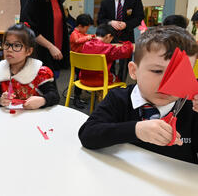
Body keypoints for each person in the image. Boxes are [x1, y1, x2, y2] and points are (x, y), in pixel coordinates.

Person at [78, 26, 198, 164]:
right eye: (157, 71)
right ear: (134, 71)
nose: (167, 83)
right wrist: (136, 130)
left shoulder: (191, 108)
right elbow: (88, 135)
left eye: (179, 74)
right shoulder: (119, 99)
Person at [0, 23, 60, 109]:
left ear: (28, 51)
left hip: (34, 116)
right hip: (7, 116)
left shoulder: (38, 72)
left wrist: (43, 100)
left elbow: (54, 95)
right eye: (7, 44)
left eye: (17, 46)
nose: (9, 50)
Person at [21, 0, 70, 78]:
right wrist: (50, 46)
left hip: (55, 53)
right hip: (42, 55)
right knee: (45, 90)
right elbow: (29, 27)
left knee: (52, 87)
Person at [97, 0, 144, 82]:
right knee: (109, 64)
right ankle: (109, 82)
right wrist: (110, 22)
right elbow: (100, 19)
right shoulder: (105, 2)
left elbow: (139, 17)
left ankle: (121, 84)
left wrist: (126, 24)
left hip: (127, 36)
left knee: (124, 65)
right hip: (109, 38)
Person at [69, 13, 94, 108]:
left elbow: (86, 37)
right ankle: (76, 97)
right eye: (86, 28)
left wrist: (91, 36)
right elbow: (77, 41)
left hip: (83, 62)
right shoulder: (74, 34)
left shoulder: (83, 33)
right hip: (77, 62)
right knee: (79, 78)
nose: (87, 30)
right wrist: (88, 37)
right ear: (80, 26)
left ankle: (82, 95)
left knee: (84, 76)